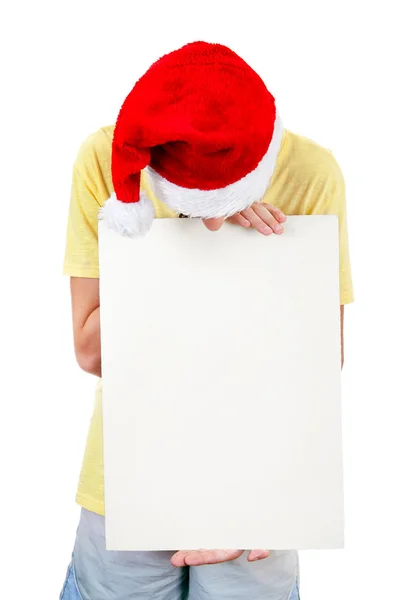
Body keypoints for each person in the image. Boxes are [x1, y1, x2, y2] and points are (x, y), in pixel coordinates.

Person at [60, 41, 354, 600]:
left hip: (260, 483)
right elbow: (92, 352)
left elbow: (318, 364)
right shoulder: (107, 159)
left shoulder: (312, 171)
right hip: (127, 478)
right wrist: (186, 247)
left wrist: (265, 259)